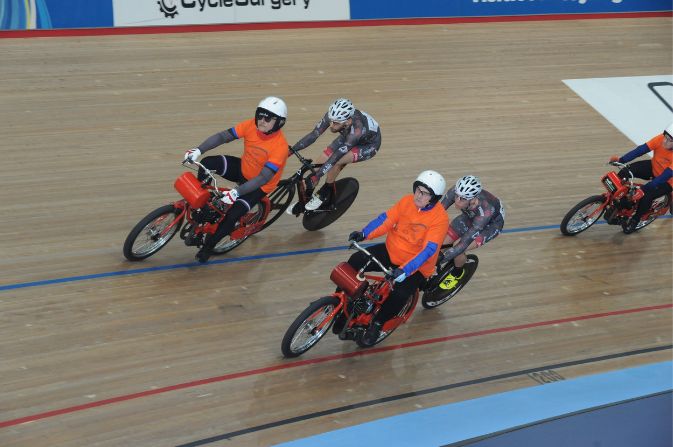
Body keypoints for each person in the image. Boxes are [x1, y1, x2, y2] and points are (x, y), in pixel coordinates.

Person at [346, 170, 448, 345]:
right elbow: (385, 220)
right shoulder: (407, 201)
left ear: (435, 198)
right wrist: (364, 233)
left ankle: (378, 324)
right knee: (355, 261)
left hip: (415, 266)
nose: (418, 196)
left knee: (399, 293)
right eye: (418, 190)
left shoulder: (440, 219)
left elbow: (427, 252)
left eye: (425, 194)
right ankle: (348, 301)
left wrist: (405, 270)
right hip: (391, 251)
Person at [183, 96, 290, 263]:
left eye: (268, 118)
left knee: (232, 215)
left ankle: (208, 247)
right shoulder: (250, 125)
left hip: (259, 185)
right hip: (244, 169)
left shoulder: (280, 147)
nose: (262, 120)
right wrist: (198, 150)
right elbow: (223, 136)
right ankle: (205, 206)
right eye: (260, 115)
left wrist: (236, 192)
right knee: (207, 163)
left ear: (279, 123)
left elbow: (263, 178)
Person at [289, 98, 382, 212]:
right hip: (347, 134)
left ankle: (325, 191)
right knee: (321, 161)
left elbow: (336, 157)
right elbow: (314, 135)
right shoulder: (334, 117)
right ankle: (306, 199)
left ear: (347, 121)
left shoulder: (356, 132)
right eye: (331, 121)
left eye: (336, 123)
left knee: (338, 161)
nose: (331, 125)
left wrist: (317, 176)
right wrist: (291, 150)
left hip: (369, 145)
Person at [436, 175, 505, 291]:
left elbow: (463, 243)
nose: (457, 201)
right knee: (441, 243)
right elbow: (437, 212)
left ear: (473, 199)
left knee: (458, 247)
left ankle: (457, 273)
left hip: (491, 225)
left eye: (462, 199)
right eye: (457, 196)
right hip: (471, 216)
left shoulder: (485, 212)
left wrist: (440, 259)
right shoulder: (456, 191)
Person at [609, 123, 673, 234]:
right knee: (625, 172)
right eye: (665, 137)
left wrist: (645, 188)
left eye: (669, 140)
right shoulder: (660, 138)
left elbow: (665, 176)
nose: (664, 141)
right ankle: (618, 201)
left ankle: (635, 220)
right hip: (654, 167)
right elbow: (640, 150)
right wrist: (622, 160)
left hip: (667, 180)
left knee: (646, 195)